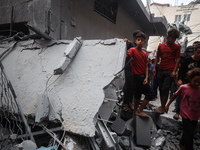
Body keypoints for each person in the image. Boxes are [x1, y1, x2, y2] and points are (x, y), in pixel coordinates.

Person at [165, 68, 200, 150]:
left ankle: (181, 143)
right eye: (195, 81)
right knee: (189, 133)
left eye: (199, 82)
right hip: (185, 113)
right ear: (190, 79)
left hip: (195, 114)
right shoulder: (183, 87)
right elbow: (175, 95)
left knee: (190, 130)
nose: (197, 84)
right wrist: (167, 105)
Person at [127, 32, 155, 117]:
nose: (140, 41)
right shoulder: (132, 50)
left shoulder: (144, 53)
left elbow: (146, 66)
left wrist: (146, 78)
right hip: (135, 77)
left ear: (144, 42)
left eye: (142, 40)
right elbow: (126, 55)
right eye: (138, 40)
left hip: (142, 77)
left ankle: (139, 110)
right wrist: (125, 43)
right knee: (137, 95)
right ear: (135, 41)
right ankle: (136, 111)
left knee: (150, 94)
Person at [153, 28, 180, 114]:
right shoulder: (161, 46)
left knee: (165, 88)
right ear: (168, 37)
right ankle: (162, 106)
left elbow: (178, 59)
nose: (174, 40)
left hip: (169, 70)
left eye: (175, 38)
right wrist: (154, 68)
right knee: (160, 88)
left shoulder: (177, 47)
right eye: (172, 38)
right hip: (161, 69)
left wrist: (174, 71)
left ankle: (162, 107)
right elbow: (157, 57)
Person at [173, 43, 200, 119]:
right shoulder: (187, 60)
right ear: (194, 51)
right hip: (186, 81)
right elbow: (181, 71)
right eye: (198, 52)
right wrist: (180, 79)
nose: (199, 54)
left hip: (196, 82)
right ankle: (178, 112)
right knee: (180, 96)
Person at [122, 30, 141, 113]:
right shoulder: (131, 44)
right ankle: (125, 104)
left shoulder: (140, 48)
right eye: (138, 38)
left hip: (136, 71)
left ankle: (130, 102)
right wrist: (124, 41)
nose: (140, 41)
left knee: (133, 87)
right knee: (128, 86)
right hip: (129, 69)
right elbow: (126, 43)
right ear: (134, 38)